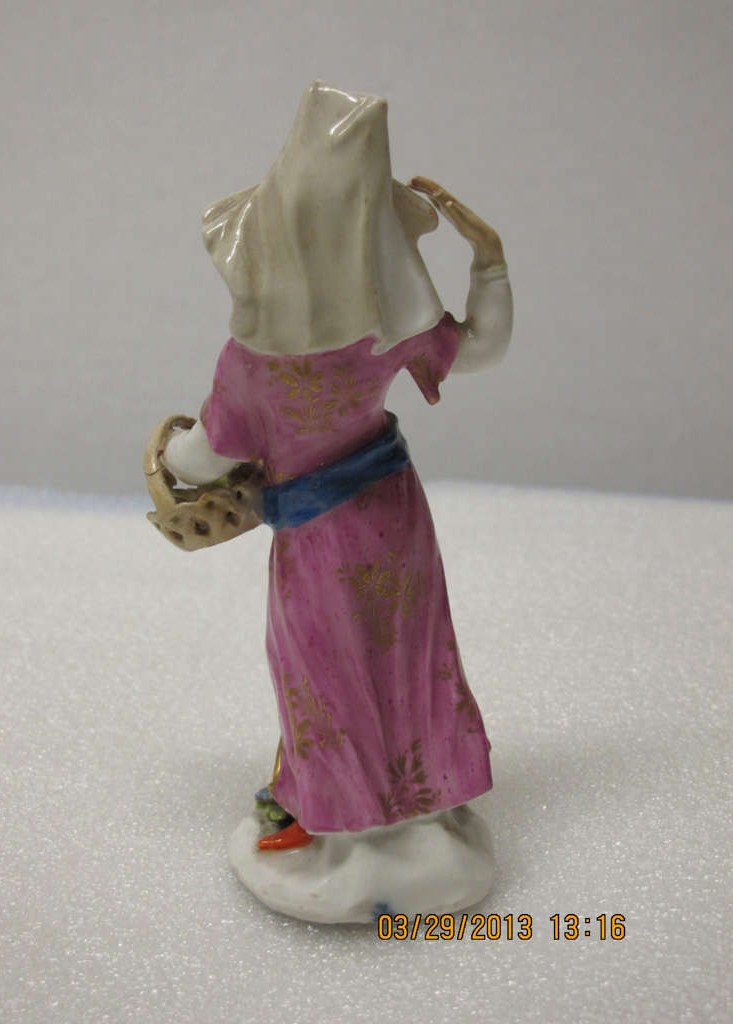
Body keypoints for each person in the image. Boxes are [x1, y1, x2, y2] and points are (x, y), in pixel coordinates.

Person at [163, 82, 513, 855]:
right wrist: (489, 265)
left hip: (319, 537)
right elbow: (483, 348)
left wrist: (167, 452)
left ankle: (347, 817)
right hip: (394, 515)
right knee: (406, 651)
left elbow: (205, 455)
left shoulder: (253, 362)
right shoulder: (386, 326)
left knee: (322, 666)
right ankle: (418, 796)